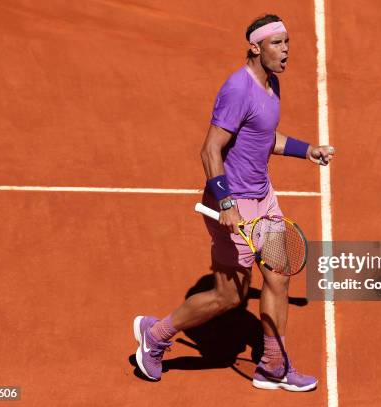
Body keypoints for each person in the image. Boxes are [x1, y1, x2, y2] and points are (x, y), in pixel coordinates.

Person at [133, 14, 335, 392]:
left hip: (264, 197)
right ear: (255, 48)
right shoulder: (237, 89)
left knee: (278, 275)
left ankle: (274, 366)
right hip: (233, 204)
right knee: (230, 297)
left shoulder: (271, 83)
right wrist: (226, 203)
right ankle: (156, 335)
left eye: (287, 41)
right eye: (277, 43)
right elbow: (210, 149)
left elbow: (264, 136)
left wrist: (306, 150)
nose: (286, 49)